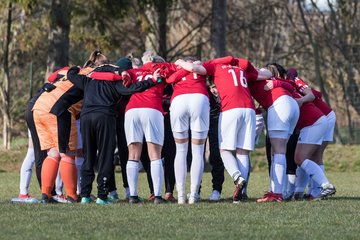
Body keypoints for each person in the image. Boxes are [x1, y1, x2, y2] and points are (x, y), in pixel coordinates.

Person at [169, 56, 272, 203]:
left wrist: (179, 62)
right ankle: (241, 194)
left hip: (230, 108)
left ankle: (237, 178)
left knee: (224, 150)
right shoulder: (240, 69)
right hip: (249, 109)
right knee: (242, 152)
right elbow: (267, 74)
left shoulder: (215, 66)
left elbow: (193, 68)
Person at [67, 50, 158, 204]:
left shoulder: (88, 79)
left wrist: (77, 68)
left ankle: (85, 195)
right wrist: (152, 81)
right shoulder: (114, 80)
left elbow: (71, 75)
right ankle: (102, 196)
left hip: (87, 117)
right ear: (110, 65)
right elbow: (132, 88)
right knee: (105, 156)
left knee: (88, 156)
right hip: (105, 117)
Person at [122, 51, 175, 204]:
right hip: (152, 108)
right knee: (155, 154)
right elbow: (176, 68)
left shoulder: (133, 71)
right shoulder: (162, 68)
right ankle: (157, 196)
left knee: (133, 155)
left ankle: (132, 195)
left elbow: (121, 76)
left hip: (131, 109)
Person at [249, 64, 300, 202]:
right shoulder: (269, 79)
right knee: (277, 152)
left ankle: (276, 193)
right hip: (291, 105)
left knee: (278, 151)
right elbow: (292, 86)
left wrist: (275, 82)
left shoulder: (252, 76)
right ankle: (276, 191)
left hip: (280, 104)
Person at [287, 68, 336, 199]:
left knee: (314, 155)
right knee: (308, 156)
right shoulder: (287, 83)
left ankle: (318, 191)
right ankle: (303, 191)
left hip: (324, 117)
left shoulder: (293, 81)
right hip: (316, 119)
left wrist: (301, 100)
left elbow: (315, 94)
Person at [166, 57, 210, 204]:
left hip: (179, 100)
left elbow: (169, 79)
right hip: (199, 98)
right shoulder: (201, 68)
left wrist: (180, 65)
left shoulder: (178, 69)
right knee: (198, 151)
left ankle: (180, 195)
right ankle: (193, 195)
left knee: (180, 150)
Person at [207, 80, 225, 201]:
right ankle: (195, 190)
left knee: (216, 157)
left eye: (215, 87)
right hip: (204, 122)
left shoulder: (224, 94)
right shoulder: (206, 95)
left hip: (218, 123)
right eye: (211, 88)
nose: (214, 90)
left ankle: (216, 190)